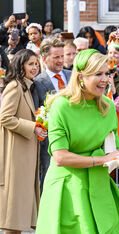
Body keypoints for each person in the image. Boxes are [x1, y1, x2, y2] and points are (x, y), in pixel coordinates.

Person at [35, 49, 119, 233]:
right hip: (67, 187)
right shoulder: (61, 105)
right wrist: (102, 160)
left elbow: (111, 152)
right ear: (81, 76)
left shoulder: (107, 107)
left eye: (106, 73)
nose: (105, 79)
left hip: (99, 186)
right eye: (98, 74)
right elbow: (60, 157)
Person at [0, 49, 45, 233]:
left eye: (36, 64)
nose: (35, 67)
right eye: (30, 64)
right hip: (15, 157)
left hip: (23, 156)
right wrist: (32, 127)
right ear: (20, 65)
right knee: (14, 216)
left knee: (18, 217)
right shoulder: (15, 87)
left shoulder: (25, 86)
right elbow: (4, 117)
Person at [31, 38, 71, 192]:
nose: (61, 60)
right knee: (49, 181)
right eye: (56, 57)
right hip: (49, 142)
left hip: (74, 138)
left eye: (62, 56)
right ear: (44, 58)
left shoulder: (71, 75)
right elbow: (35, 112)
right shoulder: (37, 82)